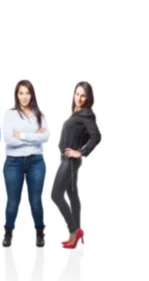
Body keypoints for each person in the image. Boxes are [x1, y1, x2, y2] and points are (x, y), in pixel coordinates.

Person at [51, 81, 101, 249]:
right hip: (67, 160)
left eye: (83, 95)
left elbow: (96, 136)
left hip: (70, 161)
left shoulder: (86, 114)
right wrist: (79, 146)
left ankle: (74, 230)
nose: (79, 98)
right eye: (77, 94)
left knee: (56, 195)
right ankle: (75, 234)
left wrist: (80, 151)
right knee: (72, 194)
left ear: (88, 98)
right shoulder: (77, 113)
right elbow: (85, 135)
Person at [1, 80, 49, 248]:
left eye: (27, 93)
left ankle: (40, 232)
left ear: (32, 95)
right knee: (13, 201)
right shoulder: (10, 114)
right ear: (16, 95)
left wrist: (20, 135)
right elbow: (8, 139)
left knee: (35, 200)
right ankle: (8, 232)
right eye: (21, 93)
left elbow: (46, 137)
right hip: (14, 162)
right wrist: (33, 136)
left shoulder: (39, 114)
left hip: (36, 162)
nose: (24, 97)